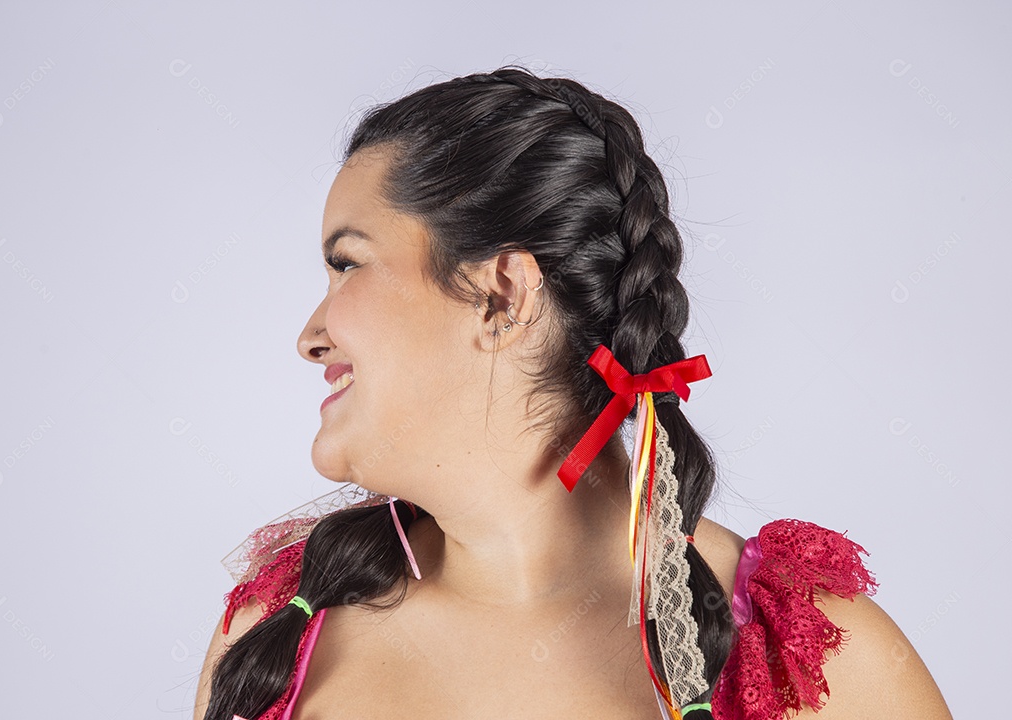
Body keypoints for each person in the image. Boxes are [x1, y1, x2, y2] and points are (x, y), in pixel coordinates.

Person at [193, 66, 952, 720]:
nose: (310, 335)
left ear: (501, 296)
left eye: (348, 264)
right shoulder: (276, 637)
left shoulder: (818, 665)